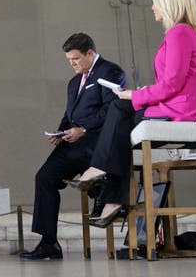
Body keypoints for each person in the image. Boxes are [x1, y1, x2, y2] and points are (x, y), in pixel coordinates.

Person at [67, 0, 196, 228]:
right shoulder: (181, 33)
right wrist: (142, 92)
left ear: (168, 3)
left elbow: (173, 85)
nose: (153, 7)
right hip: (175, 102)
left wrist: (135, 95)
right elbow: (172, 81)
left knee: (119, 107)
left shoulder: (179, 33)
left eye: (155, 2)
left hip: (182, 108)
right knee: (119, 119)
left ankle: (103, 178)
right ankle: (112, 197)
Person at [20, 33, 126, 261]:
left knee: (89, 174)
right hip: (73, 141)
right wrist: (60, 132)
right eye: (69, 60)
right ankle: (49, 242)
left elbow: (112, 108)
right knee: (44, 178)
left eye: (76, 59)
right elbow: (70, 114)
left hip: (97, 141)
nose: (72, 64)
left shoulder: (110, 71)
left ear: (90, 53)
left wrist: (84, 129)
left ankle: (108, 196)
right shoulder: (73, 82)